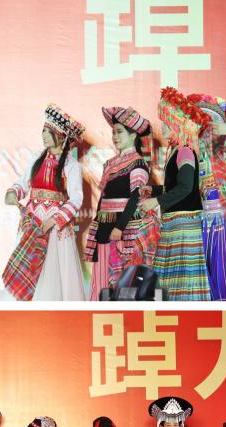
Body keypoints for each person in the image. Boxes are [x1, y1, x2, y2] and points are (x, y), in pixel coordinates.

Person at [2, 105, 86, 300]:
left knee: (51, 271)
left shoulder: (71, 165)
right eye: (43, 131)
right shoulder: (36, 158)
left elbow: (76, 198)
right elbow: (23, 183)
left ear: (62, 137)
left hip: (54, 226)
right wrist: (14, 193)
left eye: (50, 132)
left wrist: (54, 220)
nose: (44, 136)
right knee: (29, 267)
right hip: (33, 222)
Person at [86, 106, 160, 299]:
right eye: (113, 132)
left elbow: (136, 197)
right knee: (102, 277)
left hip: (125, 229)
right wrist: (97, 224)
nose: (115, 136)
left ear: (133, 135)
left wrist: (119, 227)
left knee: (123, 279)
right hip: (104, 226)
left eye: (119, 132)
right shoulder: (110, 163)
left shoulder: (138, 163)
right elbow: (103, 197)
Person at [188, 93, 226, 299]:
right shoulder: (189, 158)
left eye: (210, 129)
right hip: (193, 223)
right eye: (201, 128)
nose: (206, 134)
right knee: (197, 271)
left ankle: (223, 306)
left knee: (220, 267)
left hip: (221, 224)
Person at [152, 88, 213, 299]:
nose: (162, 126)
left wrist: (157, 200)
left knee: (183, 280)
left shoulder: (185, 151)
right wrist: (154, 191)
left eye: (166, 122)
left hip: (184, 227)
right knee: (177, 281)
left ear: (177, 123)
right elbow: (178, 185)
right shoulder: (179, 150)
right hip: (177, 226)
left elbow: (187, 187)